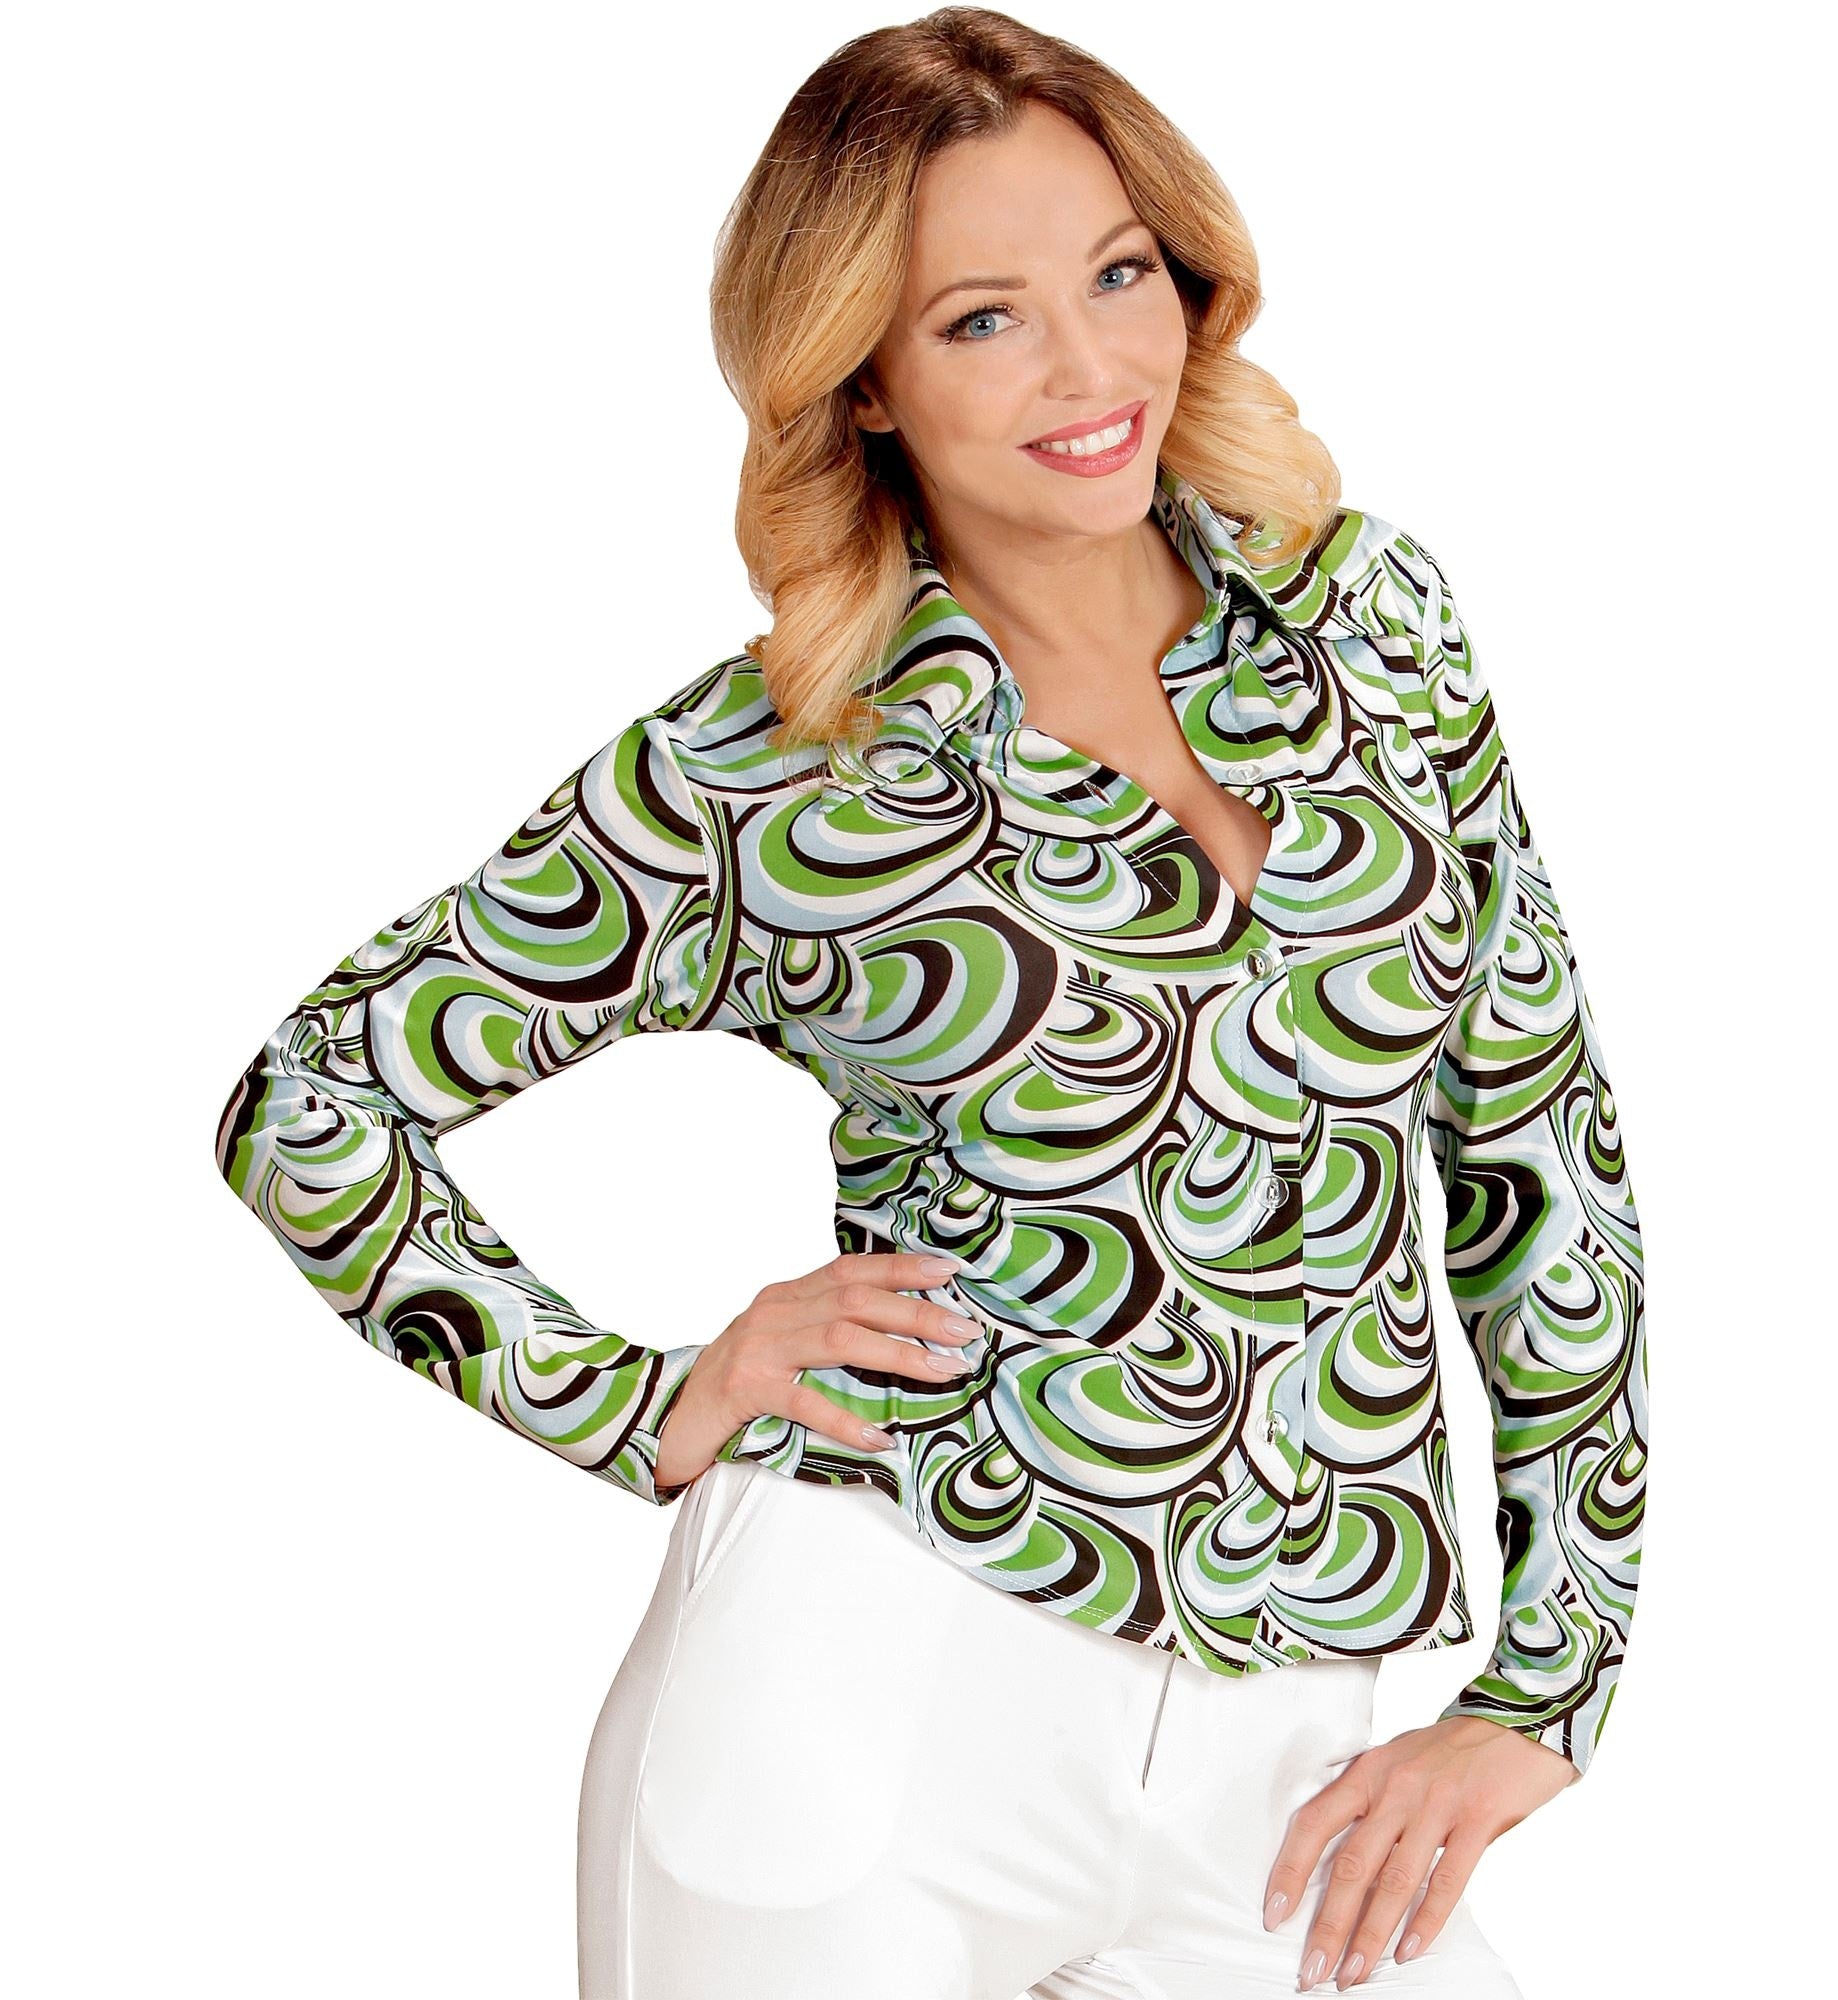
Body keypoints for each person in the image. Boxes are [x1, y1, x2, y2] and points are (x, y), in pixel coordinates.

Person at [213, 9, 1648, 1996]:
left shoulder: (1374, 622)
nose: (1090, 370)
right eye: (984, 318)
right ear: (865, 377)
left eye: (1119, 276)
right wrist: (636, 1400)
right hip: (866, 1691)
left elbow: (1535, 1149)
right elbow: (311, 1100)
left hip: (1293, 1764)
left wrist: (1551, 1681)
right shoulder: (769, 763)